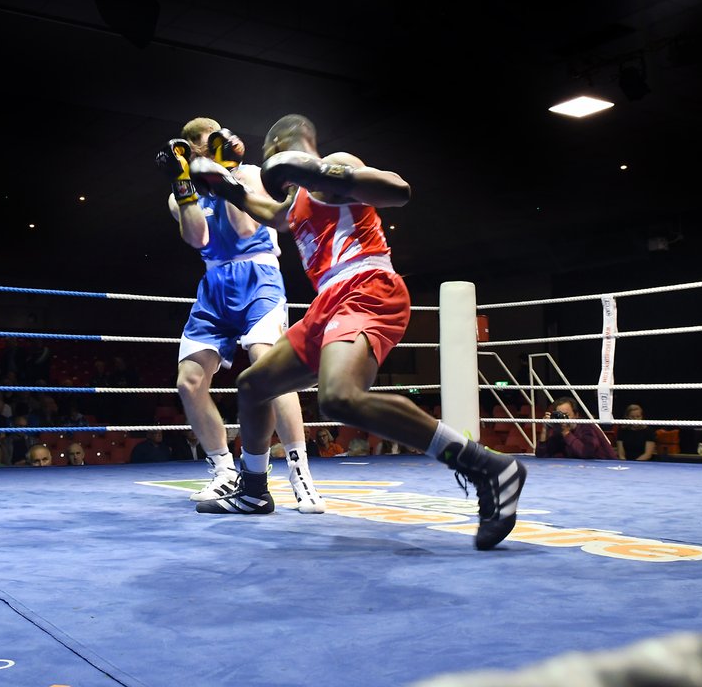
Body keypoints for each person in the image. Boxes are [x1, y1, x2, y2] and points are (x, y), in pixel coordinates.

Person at [188, 113, 524, 550]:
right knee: (254, 385)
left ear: (280, 148)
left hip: (367, 287)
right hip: (328, 302)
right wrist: (227, 186)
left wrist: (322, 172)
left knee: (340, 396)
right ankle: (253, 490)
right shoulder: (298, 202)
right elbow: (274, 215)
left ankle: (486, 465)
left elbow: (397, 189)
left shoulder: (334, 168)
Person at [155, 116, 324, 512]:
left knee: (268, 367)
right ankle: (224, 472)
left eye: (206, 143)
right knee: (189, 381)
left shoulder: (249, 174)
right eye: (193, 145)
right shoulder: (178, 194)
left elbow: (247, 230)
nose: (199, 151)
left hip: (258, 275)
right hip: (214, 285)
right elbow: (198, 238)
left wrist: (225, 175)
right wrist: (184, 182)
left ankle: (299, 473)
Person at [535, 396, 618, 460]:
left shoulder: (587, 426)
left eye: (566, 415)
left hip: (605, 467)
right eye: (559, 415)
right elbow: (541, 454)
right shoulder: (558, 428)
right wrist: (545, 429)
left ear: (576, 415)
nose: (563, 419)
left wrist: (566, 433)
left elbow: (587, 454)